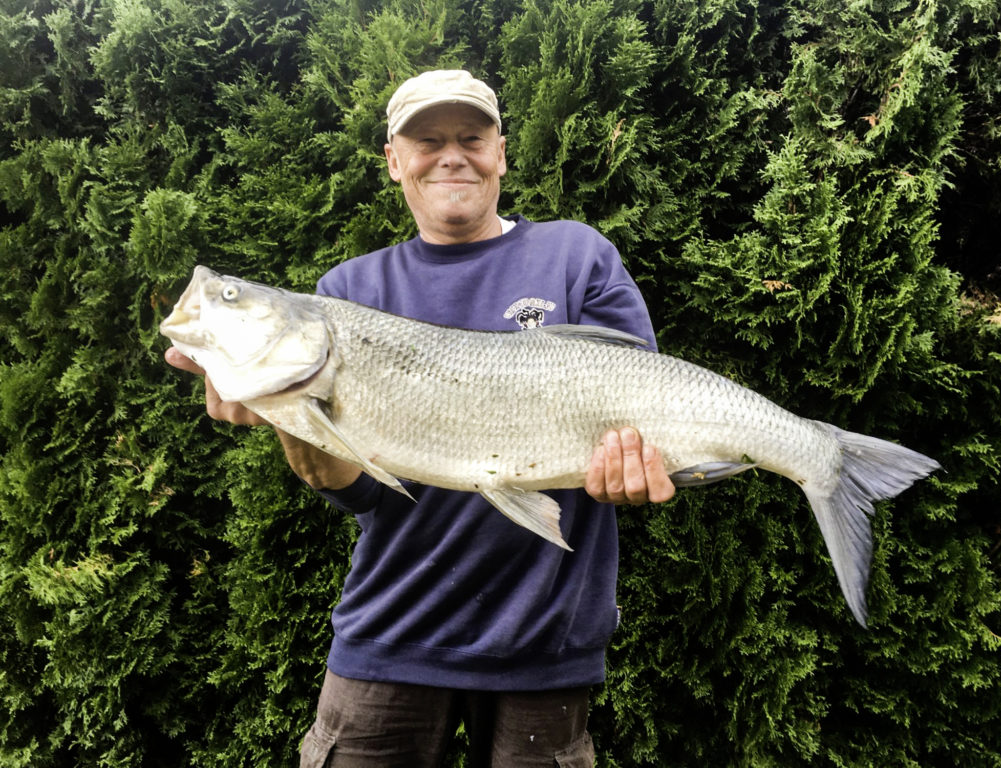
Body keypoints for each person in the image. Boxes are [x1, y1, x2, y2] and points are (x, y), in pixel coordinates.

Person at [165, 69, 676, 767]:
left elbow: (646, 409)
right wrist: (288, 410)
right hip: (391, 637)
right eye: (427, 141)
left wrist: (633, 465)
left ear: (500, 151)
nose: (451, 156)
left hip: (548, 645)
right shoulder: (349, 292)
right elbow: (358, 492)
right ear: (394, 160)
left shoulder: (576, 254)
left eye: (470, 137)